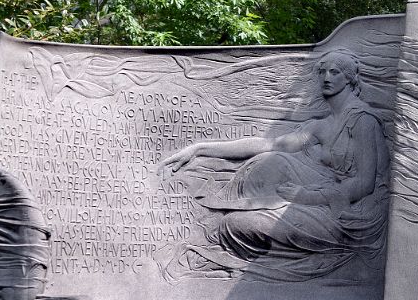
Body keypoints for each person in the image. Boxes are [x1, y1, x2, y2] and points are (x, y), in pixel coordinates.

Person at [158, 48, 388, 281]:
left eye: (335, 72)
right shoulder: (322, 125)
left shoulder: (363, 121)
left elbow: (364, 183)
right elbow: (271, 144)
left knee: (236, 225)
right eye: (322, 71)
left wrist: (306, 196)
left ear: (349, 79)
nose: (326, 77)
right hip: (323, 200)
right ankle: (239, 213)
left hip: (352, 215)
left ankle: (246, 239)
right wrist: (200, 149)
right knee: (270, 162)